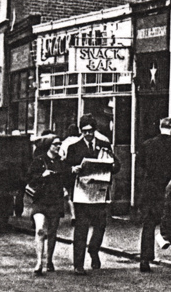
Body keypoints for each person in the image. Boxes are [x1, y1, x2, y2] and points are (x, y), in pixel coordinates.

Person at [64, 114, 121, 275]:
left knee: (100, 225)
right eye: (85, 131)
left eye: (91, 131)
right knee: (81, 229)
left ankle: (93, 249)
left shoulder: (103, 145)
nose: (88, 134)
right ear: (81, 131)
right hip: (82, 193)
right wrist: (73, 169)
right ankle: (78, 264)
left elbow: (116, 165)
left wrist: (111, 164)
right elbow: (66, 169)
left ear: (95, 130)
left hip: (99, 193)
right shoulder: (74, 147)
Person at [136, 117, 171, 273]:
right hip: (170, 190)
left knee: (149, 224)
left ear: (160, 127)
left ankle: (145, 259)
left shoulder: (147, 145)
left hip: (151, 190)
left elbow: (141, 166)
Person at [27, 135, 68, 275]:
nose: (58, 146)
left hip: (55, 201)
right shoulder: (39, 161)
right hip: (40, 201)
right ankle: (39, 262)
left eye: (59, 144)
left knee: (52, 232)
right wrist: (42, 175)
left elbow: (65, 179)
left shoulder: (61, 162)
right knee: (40, 230)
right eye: (55, 144)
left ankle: (49, 260)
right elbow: (29, 178)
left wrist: (65, 189)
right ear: (49, 145)